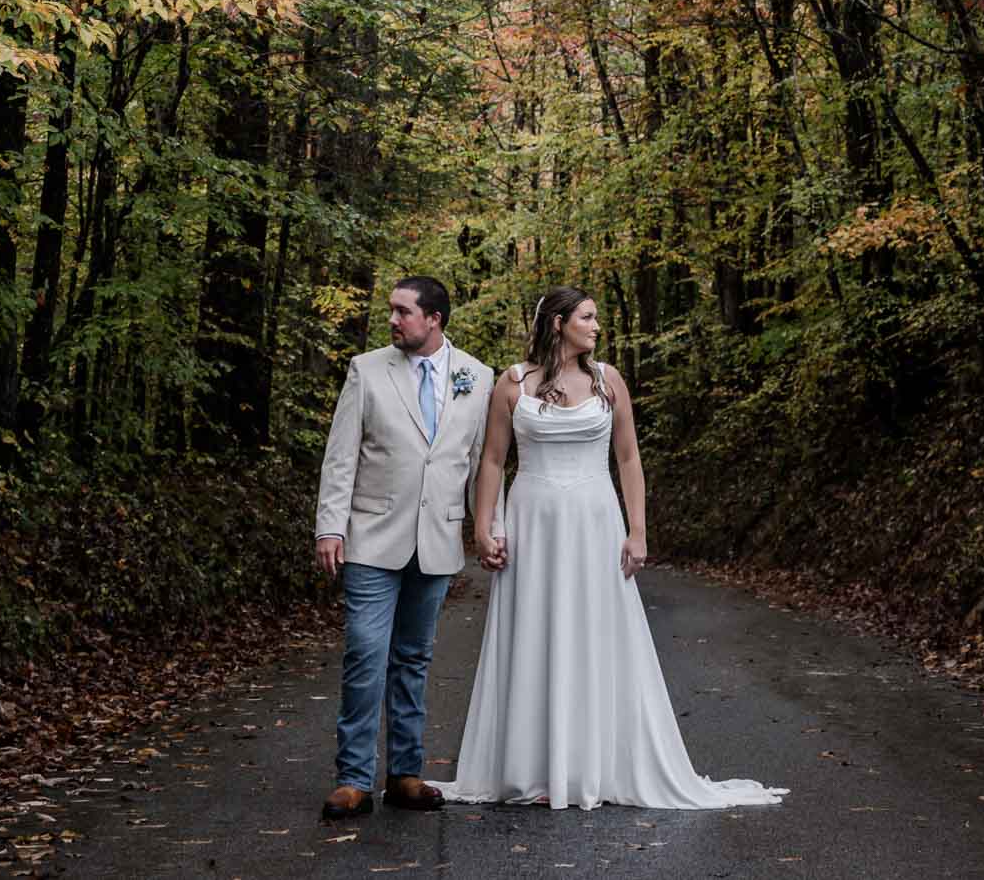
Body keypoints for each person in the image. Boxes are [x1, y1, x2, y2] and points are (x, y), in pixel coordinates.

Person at [437, 285, 786, 811]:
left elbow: (628, 460)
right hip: (534, 521)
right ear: (558, 323)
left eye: (596, 317)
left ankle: (595, 763)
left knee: (596, 631)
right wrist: (484, 528)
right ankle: (533, 764)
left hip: (596, 519)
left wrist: (637, 531)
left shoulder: (609, 381)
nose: (596, 326)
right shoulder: (513, 384)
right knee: (535, 631)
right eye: (587, 317)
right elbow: (491, 461)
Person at [313, 275, 493, 820]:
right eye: (391, 311)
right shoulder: (366, 370)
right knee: (366, 654)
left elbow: (484, 463)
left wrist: (489, 528)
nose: (392, 320)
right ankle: (352, 779)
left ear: (434, 318)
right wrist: (330, 526)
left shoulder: (477, 377)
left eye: (402, 311)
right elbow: (341, 454)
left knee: (414, 659)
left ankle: (406, 774)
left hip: (437, 538)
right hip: (371, 536)